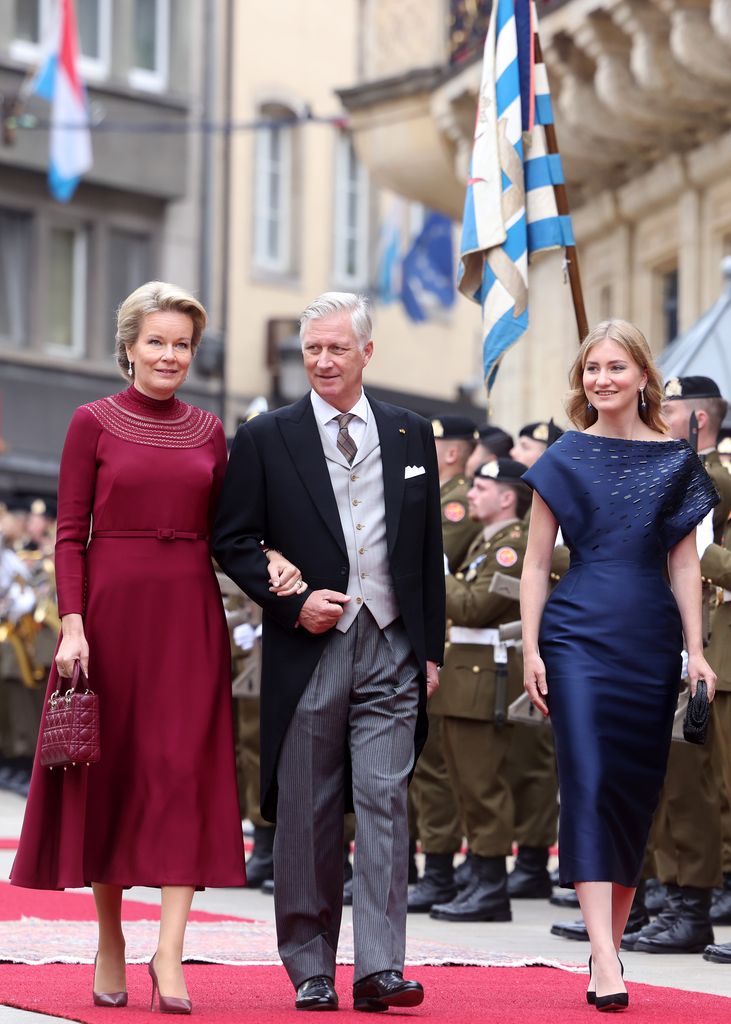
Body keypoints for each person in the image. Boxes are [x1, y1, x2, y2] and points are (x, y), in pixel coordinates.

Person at [10, 281, 298, 1014]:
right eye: (157, 342)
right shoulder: (91, 422)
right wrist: (72, 624)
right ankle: (111, 936)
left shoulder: (208, 429)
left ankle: (169, 954)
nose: (169, 355)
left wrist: (275, 565)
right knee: (115, 776)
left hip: (187, 616)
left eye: (181, 344)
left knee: (182, 775)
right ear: (129, 348)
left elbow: (232, 533)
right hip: (107, 616)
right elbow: (70, 533)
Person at [213, 291, 445, 1013]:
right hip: (309, 645)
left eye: (336, 348)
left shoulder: (410, 434)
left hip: (393, 640)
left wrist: (427, 649)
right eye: (312, 349)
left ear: (365, 352)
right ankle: (309, 965)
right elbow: (230, 541)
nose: (321, 360)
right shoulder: (264, 436)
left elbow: (427, 544)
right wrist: (289, 600)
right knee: (310, 810)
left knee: (384, 802)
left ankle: (380, 967)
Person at [520, 319, 718, 1011]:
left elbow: (685, 562)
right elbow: (537, 562)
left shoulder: (674, 460)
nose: (600, 379)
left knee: (634, 792)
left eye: (614, 367)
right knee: (589, 780)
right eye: (590, 368)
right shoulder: (564, 455)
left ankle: (608, 941)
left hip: (649, 637)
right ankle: (605, 956)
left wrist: (694, 652)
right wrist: (530, 648)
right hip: (575, 636)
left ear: (640, 375)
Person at [627, 376, 731, 954]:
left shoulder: (713, 475)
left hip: (716, 648)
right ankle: (677, 902)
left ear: (699, 419)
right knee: (676, 785)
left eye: (667, 407)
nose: (655, 413)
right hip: (676, 644)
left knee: (709, 787)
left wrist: (699, 553)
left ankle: (692, 902)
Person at [428, 458, 530, 923]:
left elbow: (473, 607)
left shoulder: (513, 546)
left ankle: (491, 885)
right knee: (466, 784)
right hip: (464, 678)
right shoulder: (486, 545)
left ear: (507, 497)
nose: (469, 494)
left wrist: (438, 571)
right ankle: (479, 876)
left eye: (481, 487)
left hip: (485, 679)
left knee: (483, 786)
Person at [407, 415, 480, 914]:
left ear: (449, 452)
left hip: (450, 642)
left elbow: (429, 554)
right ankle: (424, 865)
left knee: (434, 768)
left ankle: (438, 869)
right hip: (423, 634)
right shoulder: (432, 493)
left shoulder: (455, 504)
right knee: (416, 765)